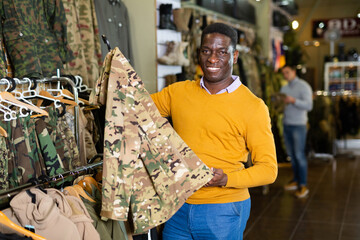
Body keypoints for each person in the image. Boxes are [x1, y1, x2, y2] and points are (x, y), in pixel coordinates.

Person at [151, 22, 277, 240]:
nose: (212, 59)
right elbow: (135, 110)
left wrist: (226, 179)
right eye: (206, 51)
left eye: (222, 52)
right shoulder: (177, 93)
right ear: (198, 53)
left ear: (234, 56)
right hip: (178, 205)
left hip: (223, 209)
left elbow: (269, 169)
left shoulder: (253, 107)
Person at [281, 65, 313, 198]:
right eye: (283, 73)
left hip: (299, 125)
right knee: (292, 156)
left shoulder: (303, 86)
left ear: (294, 72)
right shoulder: (284, 87)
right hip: (287, 124)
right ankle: (295, 181)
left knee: (299, 155)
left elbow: (309, 105)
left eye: (287, 72)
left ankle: (303, 185)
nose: (285, 75)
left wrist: (293, 100)